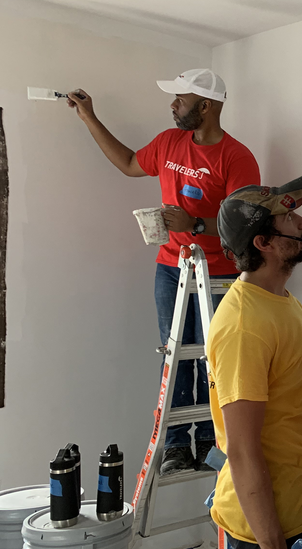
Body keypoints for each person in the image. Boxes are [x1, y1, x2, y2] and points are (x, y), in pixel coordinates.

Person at [67, 69, 261, 474]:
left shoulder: (237, 158)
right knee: (174, 356)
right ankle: (175, 446)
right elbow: (128, 163)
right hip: (172, 269)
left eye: (181, 99)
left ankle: (210, 440)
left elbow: (246, 223)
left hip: (219, 274)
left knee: (215, 358)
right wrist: (89, 117)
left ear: (204, 106)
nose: (173, 105)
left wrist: (195, 224)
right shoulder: (169, 142)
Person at [207, 176, 302, 549]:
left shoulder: (282, 300)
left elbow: (298, 407)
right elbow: (242, 449)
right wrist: (271, 543)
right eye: (288, 218)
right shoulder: (243, 325)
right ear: (263, 243)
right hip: (267, 531)